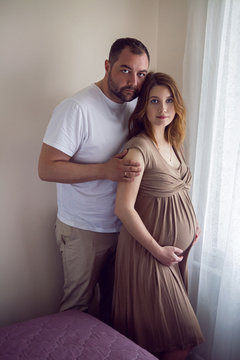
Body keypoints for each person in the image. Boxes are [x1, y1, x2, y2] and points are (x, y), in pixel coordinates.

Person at [38, 38, 150, 325]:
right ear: (107, 66)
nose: (133, 81)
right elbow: (47, 169)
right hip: (82, 230)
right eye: (125, 70)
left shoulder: (137, 105)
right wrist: (104, 170)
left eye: (141, 74)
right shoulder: (76, 108)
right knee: (77, 312)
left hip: (123, 227)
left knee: (116, 308)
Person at [112, 72, 204, 359]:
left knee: (160, 338)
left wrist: (193, 222)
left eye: (168, 101)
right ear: (143, 107)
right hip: (148, 253)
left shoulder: (174, 144)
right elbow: (123, 208)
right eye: (154, 101)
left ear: (177, 106)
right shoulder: (138, 150)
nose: (162, 109)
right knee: (180, 339)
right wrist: (159, 251)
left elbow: (178, 191)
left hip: (172, 256)